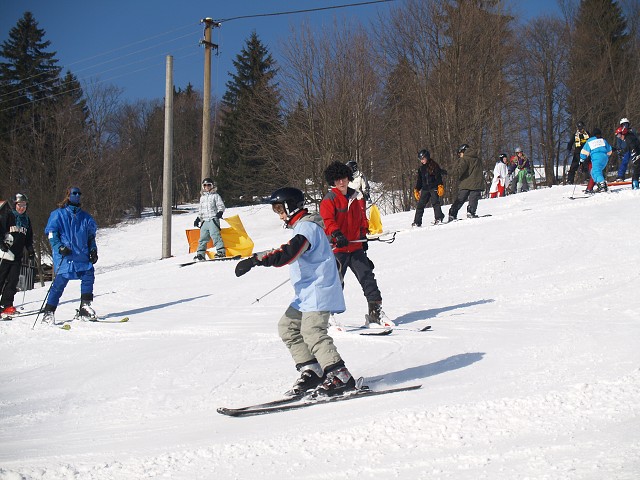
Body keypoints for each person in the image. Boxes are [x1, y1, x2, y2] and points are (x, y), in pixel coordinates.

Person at [234, 187, 356, 397]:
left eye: (280, 209)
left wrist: (257, 260)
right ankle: (313, 370)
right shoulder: (303, 227)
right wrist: (257, 257)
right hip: (306, 292)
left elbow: (288, 253)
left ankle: (340, 376)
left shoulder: (307, 227)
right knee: (288, 327)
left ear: (291, 206)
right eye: (276, 210)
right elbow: (287, 248)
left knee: (312, 331)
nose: (279, 215)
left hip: (319, 289)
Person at [320, 161, 388, 327]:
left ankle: (375, 314)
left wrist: (363, 237)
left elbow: (361, 219)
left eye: (343, 178)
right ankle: (326, 318)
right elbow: (328, 221)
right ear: (333, 182)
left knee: (368, 278)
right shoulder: (329, 200)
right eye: (337, 180)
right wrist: (336, 233)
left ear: (348, 178)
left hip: (356, 247)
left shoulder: (357, 196)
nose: (341, 182)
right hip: (337, 249)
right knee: (335, 283)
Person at [42, 187, 99, 325]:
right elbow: (51, 234)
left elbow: (91, 237)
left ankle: (85, 306)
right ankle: (49, 312)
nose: (77, 196)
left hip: (82, 255)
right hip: (65, 257)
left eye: (79, 193)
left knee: (88, 276)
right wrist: (59, 247)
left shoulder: (86, 217)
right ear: (68, 195)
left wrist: (93, 250)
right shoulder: (58, 215)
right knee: (59, 284)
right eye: (75, 193)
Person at [0, 194, 35, 318]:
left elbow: (28, 238)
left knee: (13, 281)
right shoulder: (8, 216)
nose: (22, 208)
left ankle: (6, 305)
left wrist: (30, 250)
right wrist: (1, 244)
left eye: (24, 205)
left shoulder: (26, 220)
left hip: (17, 256)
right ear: (15, 205)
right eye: (20, 205)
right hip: (4, 254)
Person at [448, 144, 485, 221]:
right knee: (473, 198)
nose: (459, 155)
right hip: (476, 183)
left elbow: (459, 171)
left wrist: (449, 172)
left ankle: (452, 213)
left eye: (460, 153)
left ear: (463, 151)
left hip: (465, 183)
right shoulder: (477, 159)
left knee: (461, 198)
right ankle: (471, 212)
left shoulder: (465, 159)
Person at [193, 178, 226, 261]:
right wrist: (198, 219)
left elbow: (221, 205)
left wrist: (220, 212)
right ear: (203, 187)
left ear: (212, 186)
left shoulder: (215, 196)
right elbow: (201, 210)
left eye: (208, 185)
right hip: (205, 220)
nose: (207, 187)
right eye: (205, 185)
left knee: (215, 236)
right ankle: (200, 254)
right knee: (202, 238)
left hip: (213, 219)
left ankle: (221, 252)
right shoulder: (202, 198)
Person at [412, 149, 446, 226]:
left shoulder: (434, 165)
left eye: (423, 159)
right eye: (420, 159)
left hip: (433, 187)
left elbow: (438, 177)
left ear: (427, 157)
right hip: (425, 189)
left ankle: (438, 218)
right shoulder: (421, 169)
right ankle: (417, 222)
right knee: (420, 205)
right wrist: (417, 189)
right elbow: (419, 180)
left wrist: (440, 185)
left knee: (435, 203)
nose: (422, 161)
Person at [580, 128, 612, 193]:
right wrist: (606, 156)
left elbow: (584, 152)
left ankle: (602, 185)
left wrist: (582, 159)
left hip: (596, 158)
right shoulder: (603, 140)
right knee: (593, 172)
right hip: (604, 158)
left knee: (596, 171)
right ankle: (600, 185)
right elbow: (610, 150)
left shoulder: (590, 141)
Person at [615, 125, 640, 190]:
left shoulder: (629, 138)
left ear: (623, 133)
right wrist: (621, 151)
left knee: (636, 169)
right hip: (636, 154)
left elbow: (633, 146)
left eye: (619, 135)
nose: (619, 137)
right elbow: (628, 148)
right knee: (636, 169)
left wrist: (636, 154)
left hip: (637, 154)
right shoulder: (628, 137)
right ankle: (635, 184)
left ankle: (635, 185)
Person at [615, 118, 633, 182]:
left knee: (635, 162)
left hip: (633, 148)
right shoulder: (620, 132)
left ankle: (637, 174)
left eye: (626, 124)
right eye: (623, 124)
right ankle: (620, 176)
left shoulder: (631, 131)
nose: (625, 126)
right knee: (624, 162)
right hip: (625, 150)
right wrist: (619, 150)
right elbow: (618, 142)